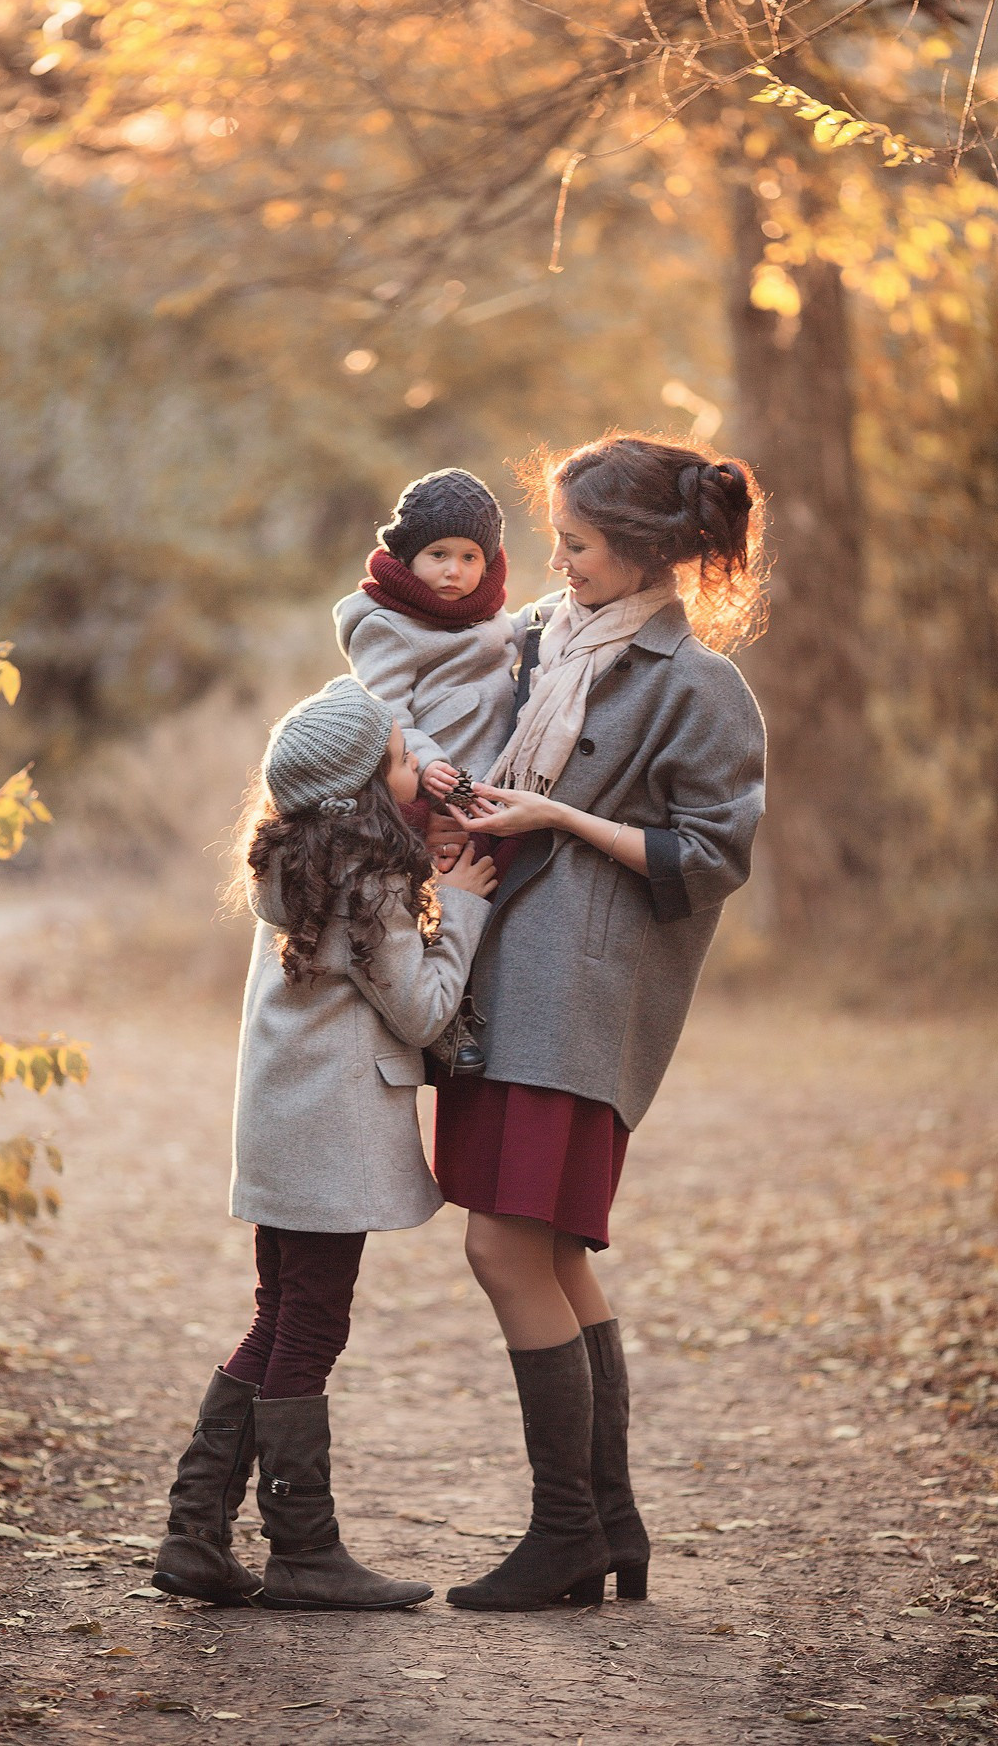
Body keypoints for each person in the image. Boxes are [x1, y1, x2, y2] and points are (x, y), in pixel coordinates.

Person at [431, 433, 769, 1612]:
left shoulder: (698, 684)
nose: (558, 559)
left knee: (502, 1247)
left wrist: (560, 821)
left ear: (639, 553)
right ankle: (610, 1524)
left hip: (579, 993)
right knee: (554, 1251)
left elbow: (712, 856)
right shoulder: (538, 643)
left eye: (576, 542)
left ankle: (567, 1531)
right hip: (500, 975)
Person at [151, 674, 496, 1612]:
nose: (414, 763)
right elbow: (423, 1010)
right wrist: (459, 904)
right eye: (398, 757)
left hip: (281, 1133)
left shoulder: (293, 867)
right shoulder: (372, 887)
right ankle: (303, 1548)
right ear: (359, 792)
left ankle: (195, 1534)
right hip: (331, 1138)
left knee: (278, 1316)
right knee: (310, 1326)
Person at [335, 466, 525, 1071]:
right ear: (405, 556)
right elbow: (384, 714)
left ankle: (482, 1007)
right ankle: (443, 1024)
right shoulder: (388, 627)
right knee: (437, 898)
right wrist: (431, 766)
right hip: (428, 789)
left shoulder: (495, 620)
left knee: (488, 899)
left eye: (470, 556)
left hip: (493, 791)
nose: (454, 572)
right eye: (437, 554)